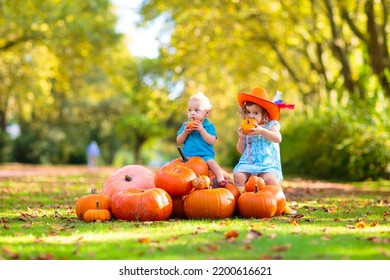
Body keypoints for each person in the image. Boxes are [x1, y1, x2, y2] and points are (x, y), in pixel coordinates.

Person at [233, 87, 297, 215]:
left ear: (264, 114)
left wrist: (262, 131)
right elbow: (241, 150)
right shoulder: (246, 128)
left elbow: (278, 138)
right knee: (238, 175)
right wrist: (241, 138)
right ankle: (241, 203)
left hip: (266, 162)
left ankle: (282, 203)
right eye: (249, 112)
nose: (251, 116)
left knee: (269, 179)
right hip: (248, 161)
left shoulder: (270, 125)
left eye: (256, 113)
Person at [177, 92, 230, 186]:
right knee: (180, 169)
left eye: (196, 110)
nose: (192, 113)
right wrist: (185, 132)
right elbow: (179, 141)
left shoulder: (209, 126)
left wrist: (201, 130)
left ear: (207, 112)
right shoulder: (186, 125)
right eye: (189, 110)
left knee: (213, 164)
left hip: (205, 156)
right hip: (188, 157)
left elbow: (211, 141)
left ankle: (220, 178)